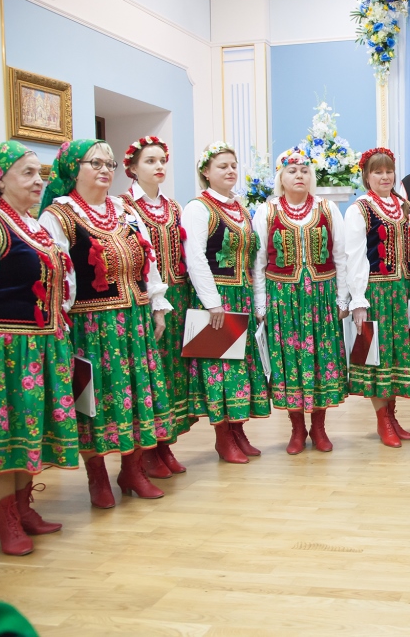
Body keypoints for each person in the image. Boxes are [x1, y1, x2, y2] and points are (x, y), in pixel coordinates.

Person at [40, 139, 172, 507]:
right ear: (73, 168)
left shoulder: (125, 209)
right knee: (94, 401)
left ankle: (132, 470)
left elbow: (148, 259)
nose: (104, 170)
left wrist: (156, 304)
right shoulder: (58, 216)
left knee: (137, 395)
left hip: (134, 320)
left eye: (109, 164)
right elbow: (56, 277)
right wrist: (60, 324)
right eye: (95, 163)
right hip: (91, 327)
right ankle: (96, 476)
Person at [0, 141, 78, 555]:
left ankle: (24, 507)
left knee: (29, 430)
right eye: (27, 173)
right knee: (0, 436)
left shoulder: (33, 225)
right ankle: (6, 517)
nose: (38, 181)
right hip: (3, 349)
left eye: (40, 173)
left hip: (41, 346)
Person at [252, 147, 349, 454]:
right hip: (283, 300)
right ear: (281, 177)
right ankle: (296, 429)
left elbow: (341, 256)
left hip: (321, 298)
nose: (299, 176)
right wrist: (260, 303)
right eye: (292, 171)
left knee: (322, 360)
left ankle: (319, 427)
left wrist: (342, 297)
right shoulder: (266, 211)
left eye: (304, 171)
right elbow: (258, 262)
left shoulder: (327, 208)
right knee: (289, 362)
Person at [182, 142, 269, 463]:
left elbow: (252, 259)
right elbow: (195, 258)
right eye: (222, 166)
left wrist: (256, 299)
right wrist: (212, 302)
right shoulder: (198, 208)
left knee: (240, 367)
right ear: (206, 171)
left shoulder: (240, 208)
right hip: (217, 299)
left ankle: (238, 430)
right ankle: (223, 437)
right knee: (219, 368)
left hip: (240, 296)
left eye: (233, 165)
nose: (230, 171)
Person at [120, 137, 191, 478]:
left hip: (178, 296)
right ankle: (147, 450)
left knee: (173, 372)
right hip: (147, 298)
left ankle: (166, 445)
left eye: (162, 160)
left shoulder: (173, 207)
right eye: (150, 161)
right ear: (133, 168)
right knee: (151, 373)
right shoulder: (123, 206)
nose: (159, 166)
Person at [345, 147, 410, 447]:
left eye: (389, 171)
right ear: (367, 176)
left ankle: (392, 414)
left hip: (401, 289)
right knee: (377, 357)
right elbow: (354, 256)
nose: (385, 177)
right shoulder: (359, 209)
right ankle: (382, 419)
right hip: (376, 291)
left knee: (396, 355)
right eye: (378, 172)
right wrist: (358, 299)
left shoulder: (403, 205)